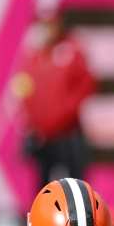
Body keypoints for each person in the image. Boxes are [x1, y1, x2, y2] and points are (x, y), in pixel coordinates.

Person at [12, 10, 97, 190]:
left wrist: (63, 114)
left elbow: (86, 84)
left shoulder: (71, 49)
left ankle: (76, 216)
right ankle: (44, 217)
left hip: (68, 131)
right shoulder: (34, 55)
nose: (46, 30)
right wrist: (33, 121)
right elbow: (25, 89)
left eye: (49, 24)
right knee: (44, 184)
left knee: (75, 184)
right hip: (43, 135)